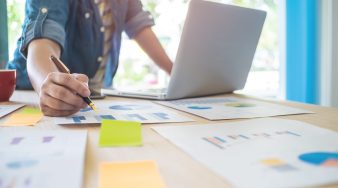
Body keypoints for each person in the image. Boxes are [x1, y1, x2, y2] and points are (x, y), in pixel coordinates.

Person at [6, 0, 173, 117]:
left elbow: (140, 27)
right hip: (32, 94)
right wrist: (48, 84)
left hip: (90, 98)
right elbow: (43, 40)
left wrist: (177, 74)